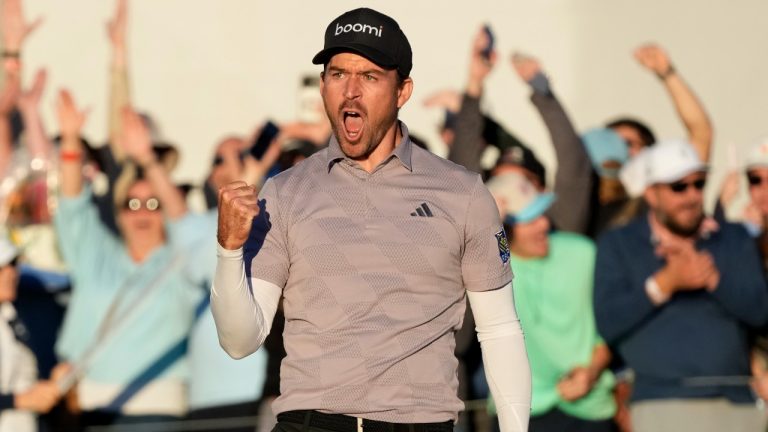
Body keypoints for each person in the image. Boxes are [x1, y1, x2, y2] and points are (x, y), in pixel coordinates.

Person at [212, 7, 530, 432]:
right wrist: (228, 250)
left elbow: (500, 331)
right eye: (338, 74)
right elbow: (240, 341)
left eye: (370, 76)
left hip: (420, 423)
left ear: (403, 91)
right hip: (308, 423)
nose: (350, 92)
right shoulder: (284, 192)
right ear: (323, 85)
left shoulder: (463, 193)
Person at [593, 139, 768, 432]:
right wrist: (664, 283)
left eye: (699, 184)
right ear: (651, 193)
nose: (692, 195)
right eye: (678, 187)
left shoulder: (732, 238)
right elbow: (607, 323)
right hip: (661, 402)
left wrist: (713, 279)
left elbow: (761, 313)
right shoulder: (620, 244)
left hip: (736, 402)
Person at [52, 92, 204, 427]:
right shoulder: (97, 254)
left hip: (155, 410)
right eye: (132, 204)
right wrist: (71, 141)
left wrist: (149, 161)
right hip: (86, 408)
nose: (142, 213)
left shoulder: (183, 262)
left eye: (153, 204)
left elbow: (189, 227)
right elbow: (73, 204)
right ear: (118, 213)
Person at [486, 172, 616, 432]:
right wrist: (489, 224)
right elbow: (487, 257)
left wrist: (591, 372)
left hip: (591, 406)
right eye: (529, 219)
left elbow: (612, 328)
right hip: (522, 413)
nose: (543, 224)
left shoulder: (582, 252)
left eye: (542, 213)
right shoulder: (495, 268)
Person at [0, 237, 67, 432]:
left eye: (13, 264)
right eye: (1, 268)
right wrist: (19, 400)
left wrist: (55, 380)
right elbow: (22, 395)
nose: (11, 272)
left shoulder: (13, 315)